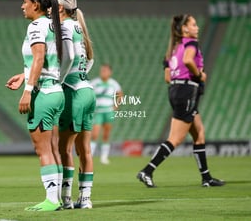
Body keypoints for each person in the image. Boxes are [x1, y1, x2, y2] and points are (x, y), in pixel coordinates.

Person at [137, 14, 225, 188]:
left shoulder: (173, 48)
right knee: (175, 139)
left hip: (176, 90)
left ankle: (206, 178)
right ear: (184, 28)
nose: (197, 27)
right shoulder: (190, 43)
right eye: (193, 24)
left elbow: (167, 77)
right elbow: (188, 60)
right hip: (187, 91)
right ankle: (147, 170)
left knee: (199, 134)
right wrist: (199, 75)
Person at [5, 0, 65, 212]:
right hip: (57, 91)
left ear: (36, 5)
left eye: (24, 1)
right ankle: (59, 198)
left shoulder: (36, 26)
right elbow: (48, 61)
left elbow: (39, 59)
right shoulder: (54, 25)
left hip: (43, 93)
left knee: (43, 150)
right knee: (53, 148)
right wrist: (24, 75)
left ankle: (51, 200)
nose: (22, 6)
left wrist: (28, 90)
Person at [54, 0, 96, 210]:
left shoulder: (64, 26)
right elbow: (89, 59)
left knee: (65, 149)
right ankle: (85, 199)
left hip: (73, 92)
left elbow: (69, 56)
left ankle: (67, 199)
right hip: (87, 89)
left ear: (60, 8)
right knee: (85, 150)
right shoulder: (78, 25)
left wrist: (58, 81)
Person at [90, 64, 123, 164]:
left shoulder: (113, 83)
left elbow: (120, 94)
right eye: (102, 70)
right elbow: (88, 93)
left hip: (108, 111)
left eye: (105, 70)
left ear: (110, 72)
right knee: (95, 134)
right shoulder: (95, 83)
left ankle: (104, 157)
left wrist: (116, 106)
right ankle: (90, 156)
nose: (103, 72)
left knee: (106, 135)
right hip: (97, 112)